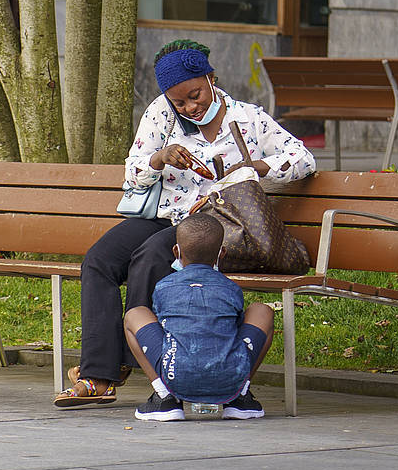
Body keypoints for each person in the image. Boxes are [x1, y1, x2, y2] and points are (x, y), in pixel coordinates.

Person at [54, 39, 314, 409]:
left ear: (211, 78)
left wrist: (255, 168)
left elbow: (303, 158)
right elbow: (133, 174)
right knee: (99, 260)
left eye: (196, 95)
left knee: (151, 256)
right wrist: (159, 159)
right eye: (180, 102)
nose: (191, 107)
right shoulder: (161, 114)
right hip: (166, 216)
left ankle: (127, 367)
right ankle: (102, 372)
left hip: (217, 227)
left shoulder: (248, 118)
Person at [123, 213, 275, 421]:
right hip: (230, 375)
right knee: (262, 310)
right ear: (221, 254)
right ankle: (239, 395)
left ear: (176, 251)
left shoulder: (164, 287)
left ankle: (164, 397)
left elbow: (163, 326)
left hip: (175, 375)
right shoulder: (230, 288)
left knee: (134, 314)